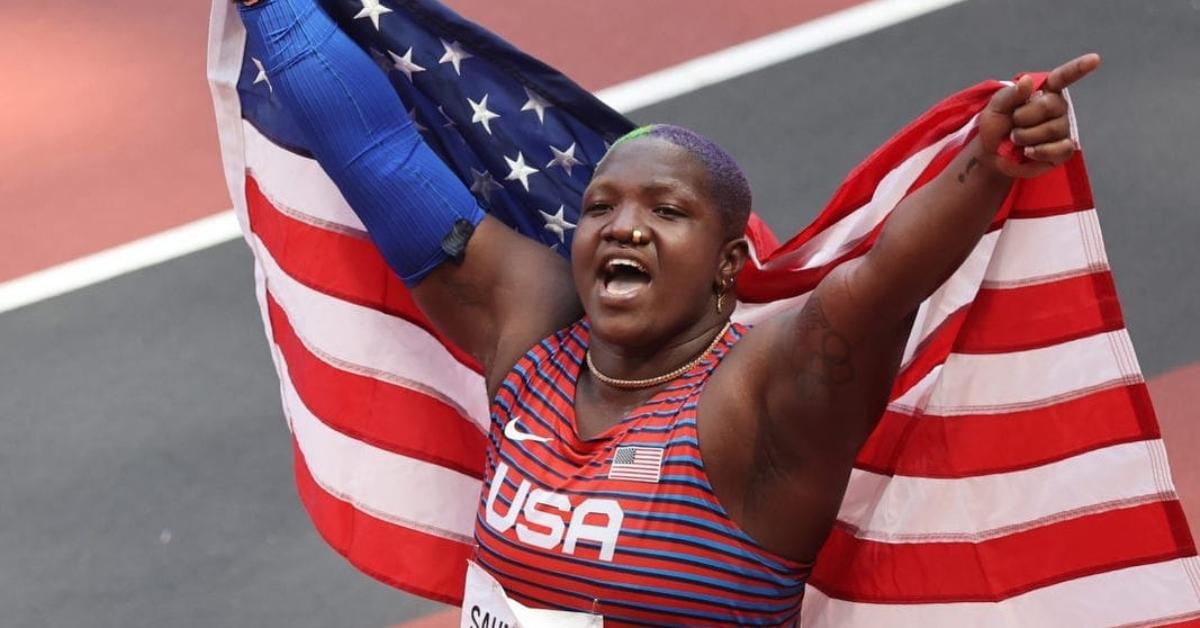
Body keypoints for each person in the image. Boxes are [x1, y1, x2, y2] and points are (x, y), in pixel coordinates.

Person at [235, 0, 1099, 624]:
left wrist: (987, 166)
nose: (627, 227)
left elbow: (879, 286)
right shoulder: (533, 334)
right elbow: (379, 156)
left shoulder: (758, 405)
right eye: (602, 206)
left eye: (667, 212)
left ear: (728, 267)